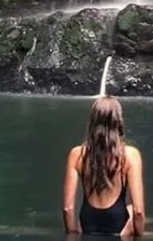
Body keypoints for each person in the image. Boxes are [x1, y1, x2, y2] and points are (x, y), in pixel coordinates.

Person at [62, 97, 145, 237]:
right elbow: (139, 211)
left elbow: (68, 208)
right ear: (118, 122)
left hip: (88, 224)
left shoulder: (76, 154)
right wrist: (137, 236)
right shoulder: (130, 155)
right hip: (118, 226)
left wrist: (73, 235)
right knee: (131, 209)